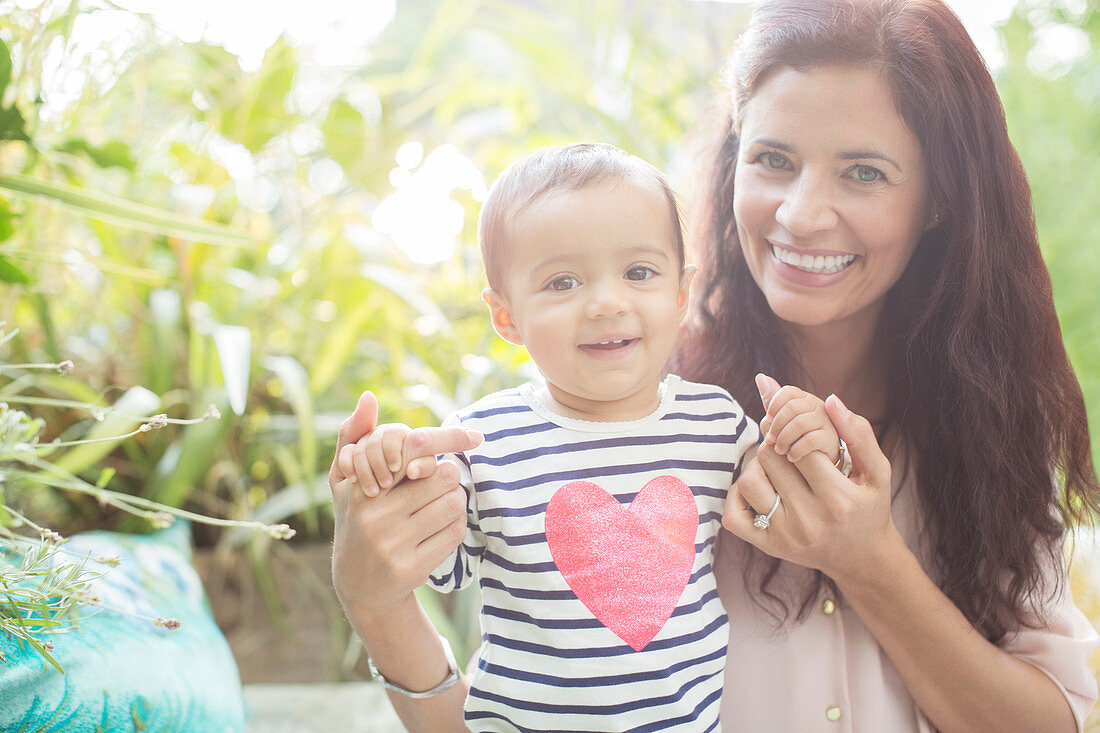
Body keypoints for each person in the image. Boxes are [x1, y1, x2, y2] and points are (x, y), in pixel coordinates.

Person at [329, 1, 1100, 731]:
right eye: (773, 159)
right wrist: (372, 598)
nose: (800, 214)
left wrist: (869, 560)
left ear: (940, 199)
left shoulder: (989, 431)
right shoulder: (636, 417)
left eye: (864, 171)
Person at [339, 141, 806, 731]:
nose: (607, 302)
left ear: (681, 294)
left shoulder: (717, 424)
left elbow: (787, 522)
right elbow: (429, 565)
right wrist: (390, 475)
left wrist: (803, 442)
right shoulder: (481, 442)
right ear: (506, 316)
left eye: (639, 272)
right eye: (562, 282)